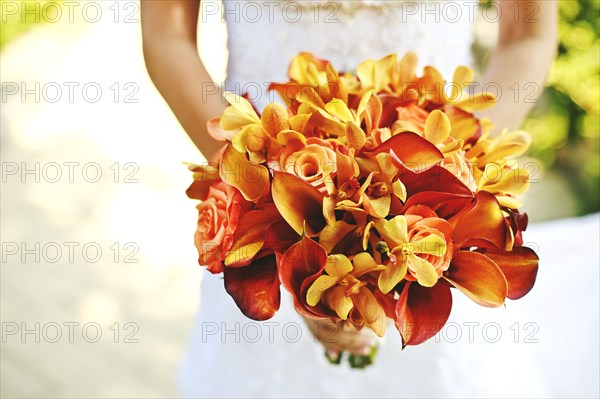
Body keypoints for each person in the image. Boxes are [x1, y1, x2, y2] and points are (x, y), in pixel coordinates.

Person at [141, 1, 573, 397]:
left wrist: (454, 179)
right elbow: (167, 35)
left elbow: (527, 34)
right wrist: (266, 199)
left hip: (435, 224)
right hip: (265, 213)